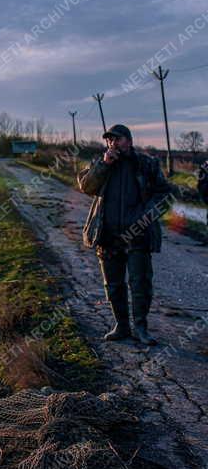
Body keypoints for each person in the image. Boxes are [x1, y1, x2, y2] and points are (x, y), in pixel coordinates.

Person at [78, 125, 172, 345]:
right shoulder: (100, 163)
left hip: (137, 236)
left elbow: (165, 194)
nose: (112, 143)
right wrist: (104, 164)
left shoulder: (146, 164)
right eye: (109, 140)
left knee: (140, 284)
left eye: (117, 139)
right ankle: (121, 326)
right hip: (107, 236)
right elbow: (86, 187)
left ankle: (141, 328)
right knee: (113, 285)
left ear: (128, 141)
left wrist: (145, 217)